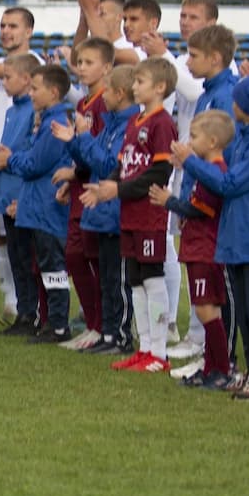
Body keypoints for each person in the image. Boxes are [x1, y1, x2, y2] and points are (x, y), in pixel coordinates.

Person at [176, 74, 249, 402]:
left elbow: (229, 184)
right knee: (242, 311)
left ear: (247, 106)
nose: (233, 104)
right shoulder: (245, 138)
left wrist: (190, 162)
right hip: (237, 237)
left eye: (237, 100)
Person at [84, 60, 176, 369]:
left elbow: (161, 171)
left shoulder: (162, 123)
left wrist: (118, 190)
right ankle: (145, 348)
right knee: (135, 280)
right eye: (134, 82)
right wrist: (105, 186)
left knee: (152, 278)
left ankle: (159, 353)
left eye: (140, 81)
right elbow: (122, 164)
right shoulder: (136, 122)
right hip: (130, 215)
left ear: (160, 87)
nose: (135, 87)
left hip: (149, 214)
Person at [150, 111, 236, 391]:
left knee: (207, 310)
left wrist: (170, 202)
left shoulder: (216, 172)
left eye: (195, 136)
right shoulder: (205, 169)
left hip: (205, 248)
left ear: (212, 141)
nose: (190, 141)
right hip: (197, 246)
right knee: (204, 309)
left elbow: (201, 209)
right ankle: (211, 368)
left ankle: (221, 369)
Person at [0, 65, 75, 344]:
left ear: (52, 92)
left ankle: (58, 324)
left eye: (36, 88)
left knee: (52, 267)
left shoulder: (55, 124)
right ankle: (45, 320)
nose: (32, 93)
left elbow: (36, 163)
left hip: (47, 208)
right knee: (42, 265)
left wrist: (10, 159)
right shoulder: (46, 120)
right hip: (38, 205)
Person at [67, 64, 135, 356]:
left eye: (107, 90)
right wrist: (74, 140)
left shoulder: (128, 126)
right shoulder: (111, 123)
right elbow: (93, 159)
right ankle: (108, 333)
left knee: (118, 281)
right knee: (107, 279)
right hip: (103, 213)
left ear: (119, 93)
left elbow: (110, 166)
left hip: (116, 212)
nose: (101, 96)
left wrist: (83, 137)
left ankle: (120, 336)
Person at [60, 38, 117, 348]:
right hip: (82, 188)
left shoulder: (106, 104)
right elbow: (82, 150)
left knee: (92, 258)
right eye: (79, 62)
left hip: (98, 190)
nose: (81, 68)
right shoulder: (82, 103)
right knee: (75, 255)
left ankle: (103, 326)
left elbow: (102, 152)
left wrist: (78, 171)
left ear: (107, 67)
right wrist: (73, 176)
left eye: (88, 62)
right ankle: (94, 323)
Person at [0, 53, 43, 336]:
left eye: (8, 77)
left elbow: (34, 150)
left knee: (29, 257)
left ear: (27, 79)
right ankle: (24, 312)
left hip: (24, 193)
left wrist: (8, 159)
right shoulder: (11, 110)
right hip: (7, 191)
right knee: (17, 256)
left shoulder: (34, 111)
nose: (3, 81)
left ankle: (36, 313)